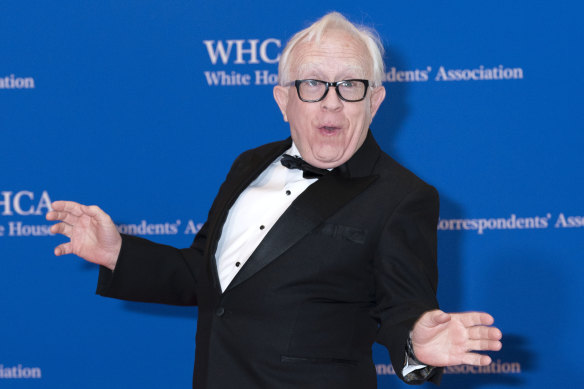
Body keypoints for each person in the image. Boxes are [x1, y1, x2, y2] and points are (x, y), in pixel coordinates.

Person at [46, 12, 502, 389]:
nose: (331, 103)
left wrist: (415, 341)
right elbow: (205, 275)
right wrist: (115, 252)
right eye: (312, 84)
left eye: (350, 85)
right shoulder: (249, 164)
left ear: (376, 101)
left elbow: (403, 308)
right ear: (283, 100)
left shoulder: (403, 197)